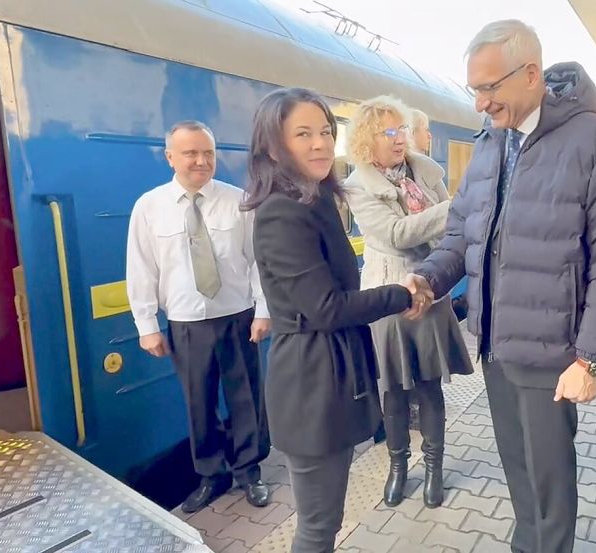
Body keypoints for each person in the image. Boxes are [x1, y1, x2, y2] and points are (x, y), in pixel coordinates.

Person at [406, 20, 596, 552]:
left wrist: (591, 360)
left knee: (549, 484)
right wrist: (428, 279)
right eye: (475, 89)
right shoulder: (491, 144)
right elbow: (460, 235)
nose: (479, 103)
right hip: (496, 344)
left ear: (531, 74)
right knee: (519, 473)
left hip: (553, 355)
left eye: (489, 88)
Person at [241, 88, 425, 552]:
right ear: (272, 145)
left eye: (325, 131)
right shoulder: (281, 212)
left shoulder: (314, 198)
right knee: (318, 527)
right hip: (309, 382)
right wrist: (397, 293)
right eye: (303, 134)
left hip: (326, 375)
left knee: (327, 518)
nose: (320, 143)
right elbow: (325, 307)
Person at [126, 120, 271, 513]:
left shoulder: (238, 201)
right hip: (185, 323)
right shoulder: (149, 207)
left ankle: (248, 472)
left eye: (208, 152)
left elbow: (258, 261)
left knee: (245, 398)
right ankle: (212, 475)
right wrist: (146, 326)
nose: (201, 161)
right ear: (170, 157)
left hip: (238, 317)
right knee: (198, 402)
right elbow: (141, 268)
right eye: (191, 153)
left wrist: (263, 310)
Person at [342, 95, 474, 509]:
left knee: (430, 385)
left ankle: (434, 466)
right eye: (389, 132)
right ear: (367, 139)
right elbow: (395, 234)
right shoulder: (356, 186)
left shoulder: (426, 173)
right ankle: (398, 466)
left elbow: (453, 233)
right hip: (387, 296)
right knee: (393, 391)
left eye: (402, 130)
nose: (400, 139)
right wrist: (455, 207)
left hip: (430, 289)